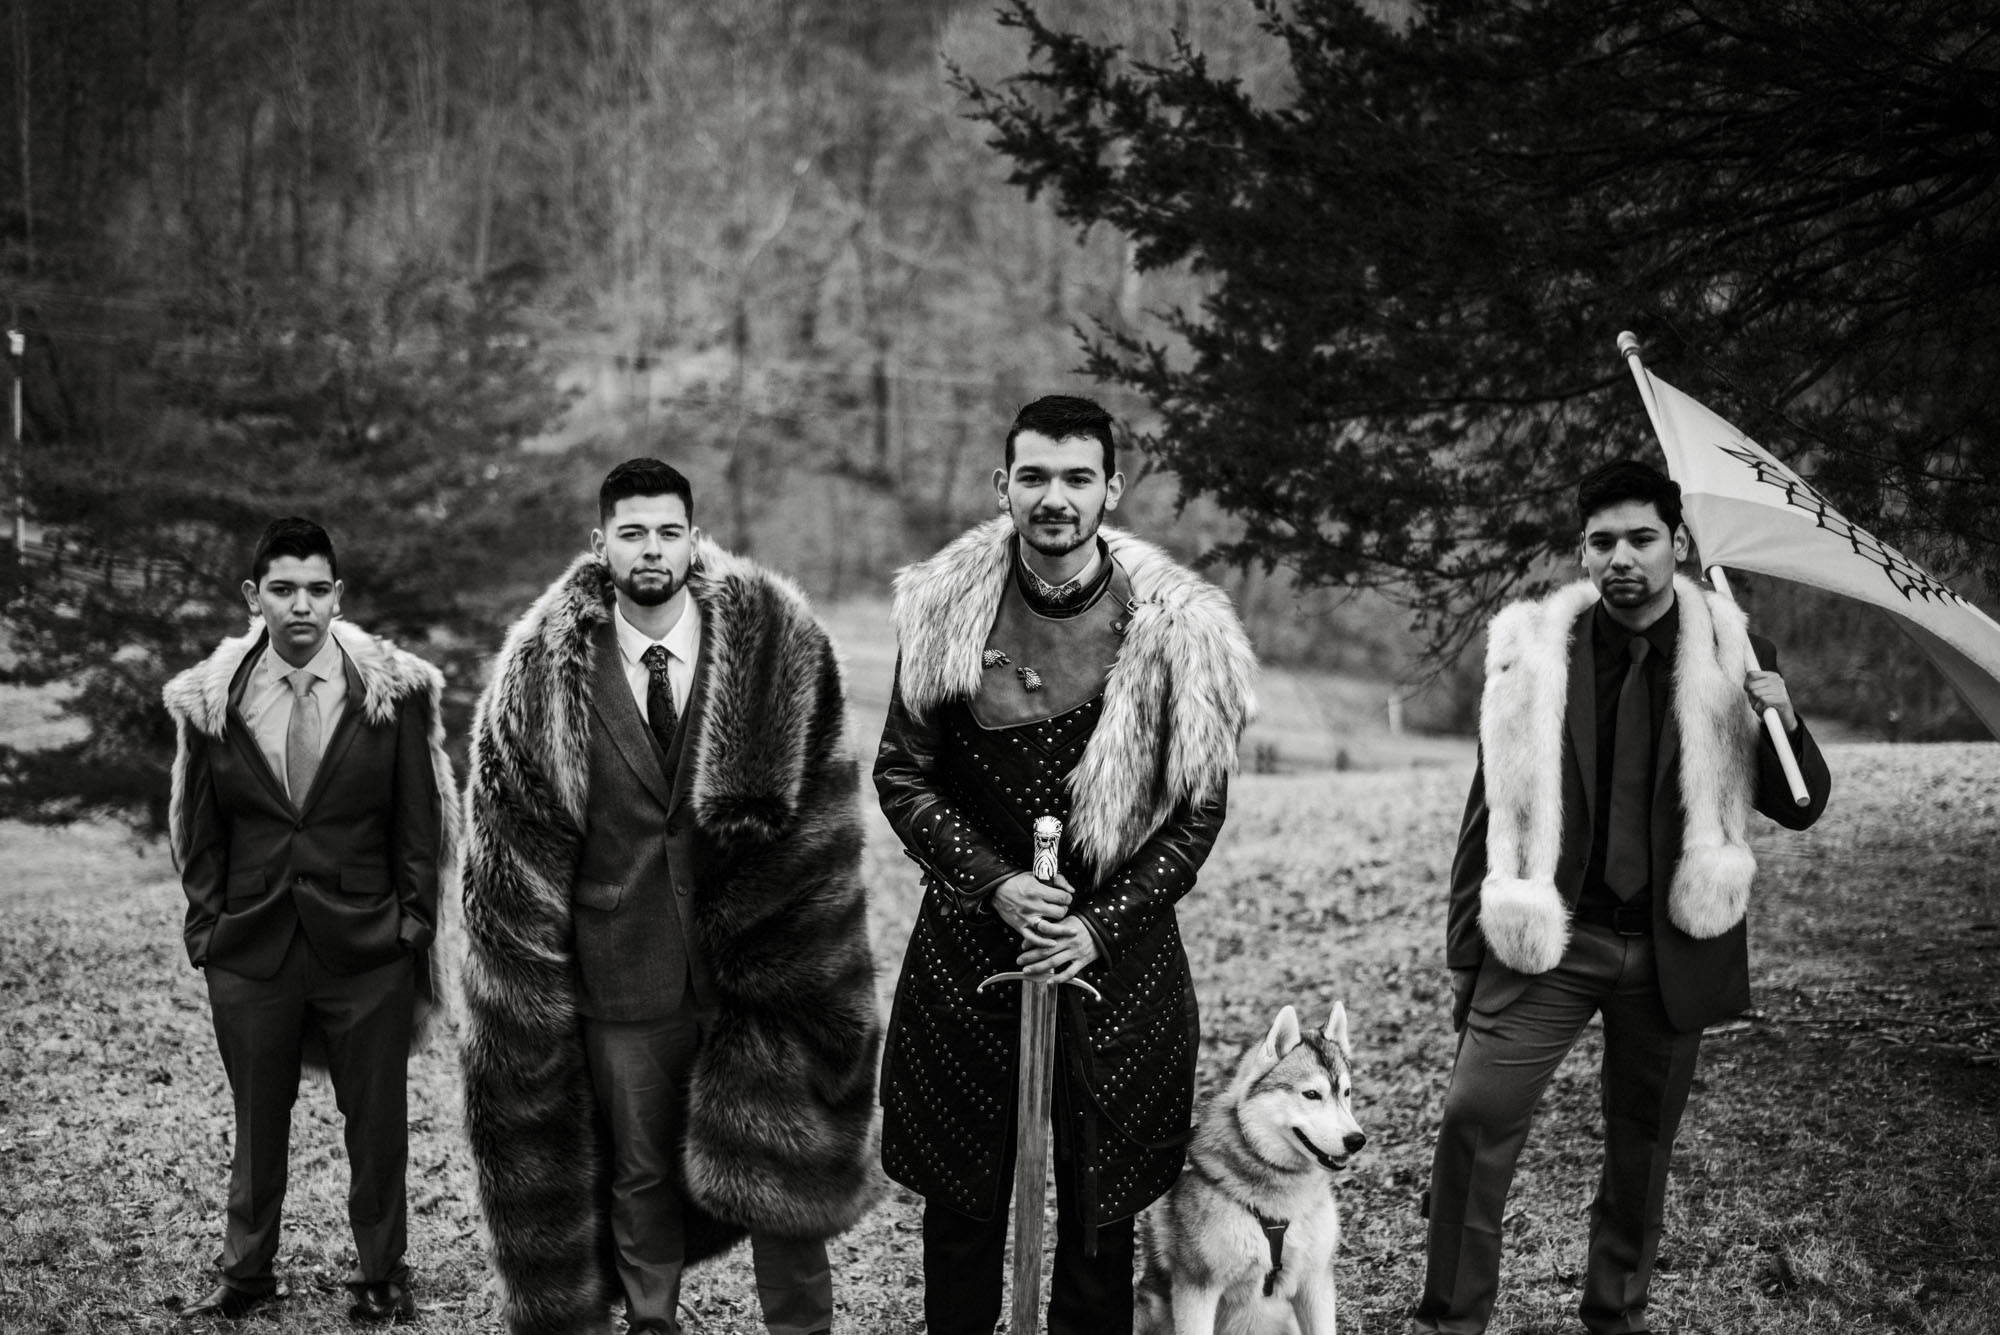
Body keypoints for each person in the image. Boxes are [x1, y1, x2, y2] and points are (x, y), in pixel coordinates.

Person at [458, 458, 879, 1335]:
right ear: (600, 542)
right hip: (622, 975)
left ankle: (802, 1329)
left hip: (755, 971)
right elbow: (507, 856)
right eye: (632, 532)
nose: (652, 549)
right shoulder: (544, 675)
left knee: (779, 1170)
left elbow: (823, 816)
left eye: (668, 531)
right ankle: (653, 1323)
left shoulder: (771, 648)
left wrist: (809, 957)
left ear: (694, 537)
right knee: (639, 1175)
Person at [1414, 459, 1833, 1335]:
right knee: (1471, 1121)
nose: (1622, 559)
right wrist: (1466, 954)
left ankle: (1616, 1316)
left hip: (1669, 943)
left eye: (1642, 538)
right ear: (1581, 551)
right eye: (1602, 542)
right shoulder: (1536, 653)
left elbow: (1800, 804)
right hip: (1548, 940)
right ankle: (1450, 1320)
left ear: (1677, 543)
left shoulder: (1732, 649)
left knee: (1641, 1148)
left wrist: (1781, 717)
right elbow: (1486, 808)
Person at [876, 394, 1257, 1335]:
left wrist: (1096, 925)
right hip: (972, 947)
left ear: (1111, 489)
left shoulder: (1178, 629)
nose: (1056, 497)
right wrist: (997, 884)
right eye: (1036, 476)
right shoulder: (942, 610)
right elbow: (901, 774)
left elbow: (1195, 814)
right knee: (961, 1217)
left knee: (1101, 1223)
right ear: (1004, 484)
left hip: (1117, 965)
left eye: (1077, 477)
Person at [164, 517, 455, 1323]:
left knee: (377, 1123)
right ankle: (246, 1274)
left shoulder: (391, 696)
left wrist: (412, 928)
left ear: (339, 596)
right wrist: (207, 932)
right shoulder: (212, 702)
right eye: (284, 589)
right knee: (257, 1120)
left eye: (317, 589)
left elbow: (419, 823)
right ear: (254, 597)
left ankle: (382, 1274)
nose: (302, 605)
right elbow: (199, 827)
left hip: (366, 946)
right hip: (251, 946)